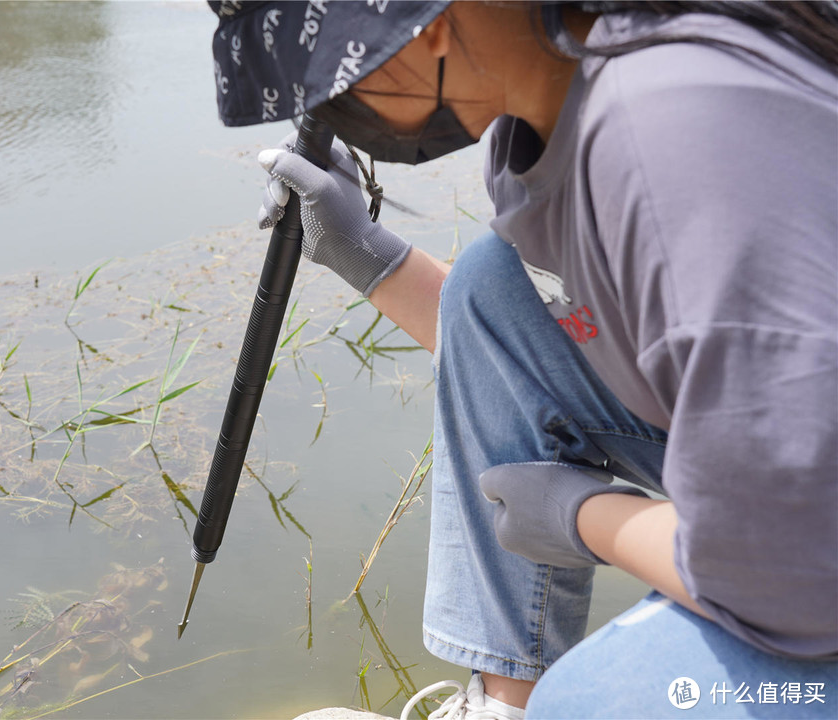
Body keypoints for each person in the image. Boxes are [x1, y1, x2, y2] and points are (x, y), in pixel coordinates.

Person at [208, 1, 838, 718]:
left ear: (425, 24)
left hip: (808, 567)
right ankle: (508, 703)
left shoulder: (672, 141)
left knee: (595, 701)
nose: (333, 113)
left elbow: (801, 583)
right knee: (491, 288)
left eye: (331, 85)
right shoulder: (552, 111)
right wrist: (367, 257)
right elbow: (525, 363)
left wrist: (586, 518)